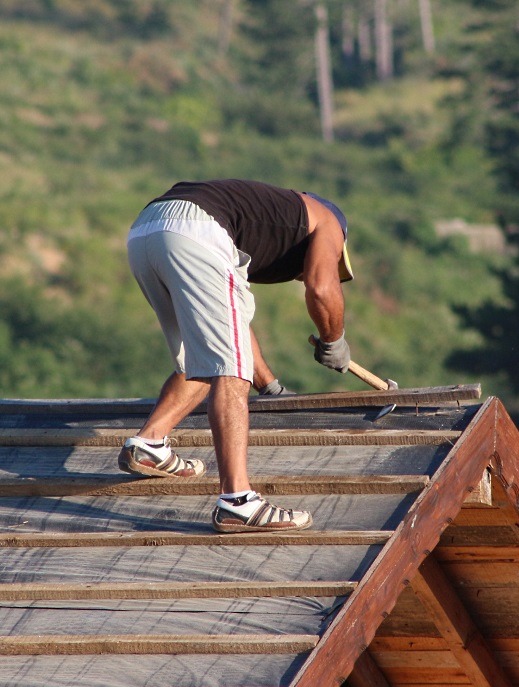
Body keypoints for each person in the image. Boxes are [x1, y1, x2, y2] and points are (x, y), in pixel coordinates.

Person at [119, 178, 354, 533]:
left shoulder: (262, 221)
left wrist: (270, 386)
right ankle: (237, 501)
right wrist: (333, 340)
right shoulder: (329, 221)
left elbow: (232, 331)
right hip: (196, 232)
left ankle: (149, 443)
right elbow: (322, 288)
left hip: (145, 232)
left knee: (207, 360)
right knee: (228, 372)